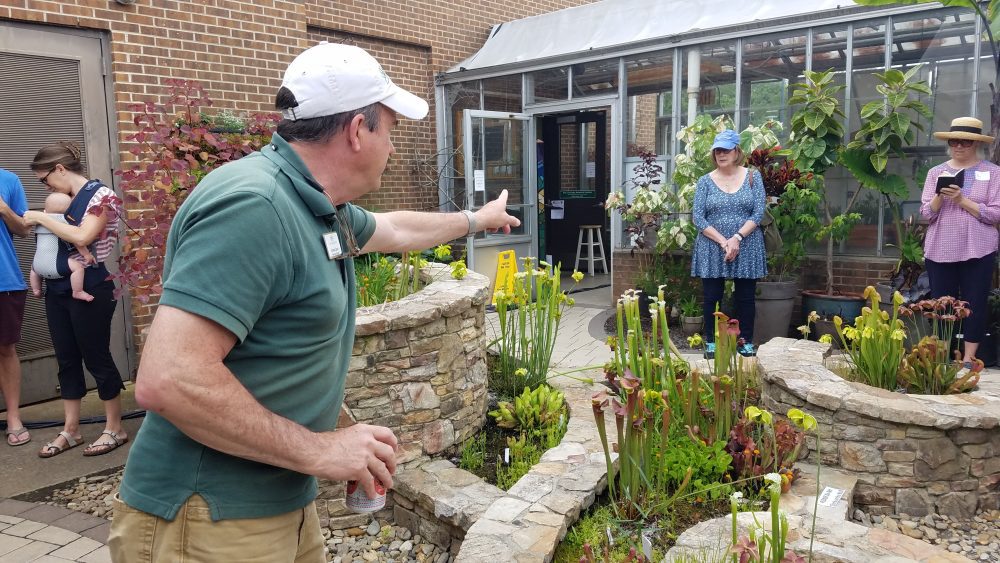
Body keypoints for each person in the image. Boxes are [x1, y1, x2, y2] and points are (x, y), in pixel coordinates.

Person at [108, 42, 520, 562]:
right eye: (389, 129)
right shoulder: (255, 207)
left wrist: (475, 220)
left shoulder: (319, 207)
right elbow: (170, 379)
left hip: (274, 507)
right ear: (356, 130)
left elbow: (394, 229)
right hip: (207, 518)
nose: (392, 147)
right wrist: (321, 450)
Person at [22, 141, 128, 458]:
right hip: (57, 289)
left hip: (91, 286)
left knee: (95, 356)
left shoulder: (102, 197)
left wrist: (41, 217)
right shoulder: (61, 201)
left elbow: (83, 237)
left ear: (60, 169)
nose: (45, 186)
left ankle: (115, 428)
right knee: (66, 358)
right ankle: (71, 430)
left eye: (45, 179)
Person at [920, 116, 1000, 366]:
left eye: (965, 141)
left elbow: (996, 214)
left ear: (975, 144)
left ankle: (969, 358)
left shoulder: (993, 172)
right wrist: (940, 198)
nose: (959, 146)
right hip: (940, 248)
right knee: (941, 304)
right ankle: (942, 356)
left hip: (979, 248)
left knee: (975, 302)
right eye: (954, 141)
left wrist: (961, 200)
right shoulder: (936, 173)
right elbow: (926, 214)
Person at [691, 129, 767, 359]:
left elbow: (758, 212)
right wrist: (724, 241)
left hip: (747, 244)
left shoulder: (753, 177)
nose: (721, 154)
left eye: (726, 149)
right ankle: (713, 342)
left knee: (745, 297)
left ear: (737, 151)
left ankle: (744, 340)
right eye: (717, 150)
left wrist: (737, 238)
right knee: (712, 296)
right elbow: (698, 217)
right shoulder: (705, 181)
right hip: (712, 245)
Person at [0, 168, 30, 447]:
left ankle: (13, 417)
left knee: (6, 349)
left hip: (4, 279)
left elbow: (23, 229)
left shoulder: (9, 179)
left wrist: (4, 209)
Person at [30, 192, 97, 302]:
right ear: (69, 212)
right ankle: (77, 291)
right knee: (78, 268)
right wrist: (86, 254)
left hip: (37, 265)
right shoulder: (65, 223)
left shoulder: (39, 222)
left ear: (45, 211)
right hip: (57, 265)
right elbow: (76, 241)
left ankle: (36, 289)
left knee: (33, 269)